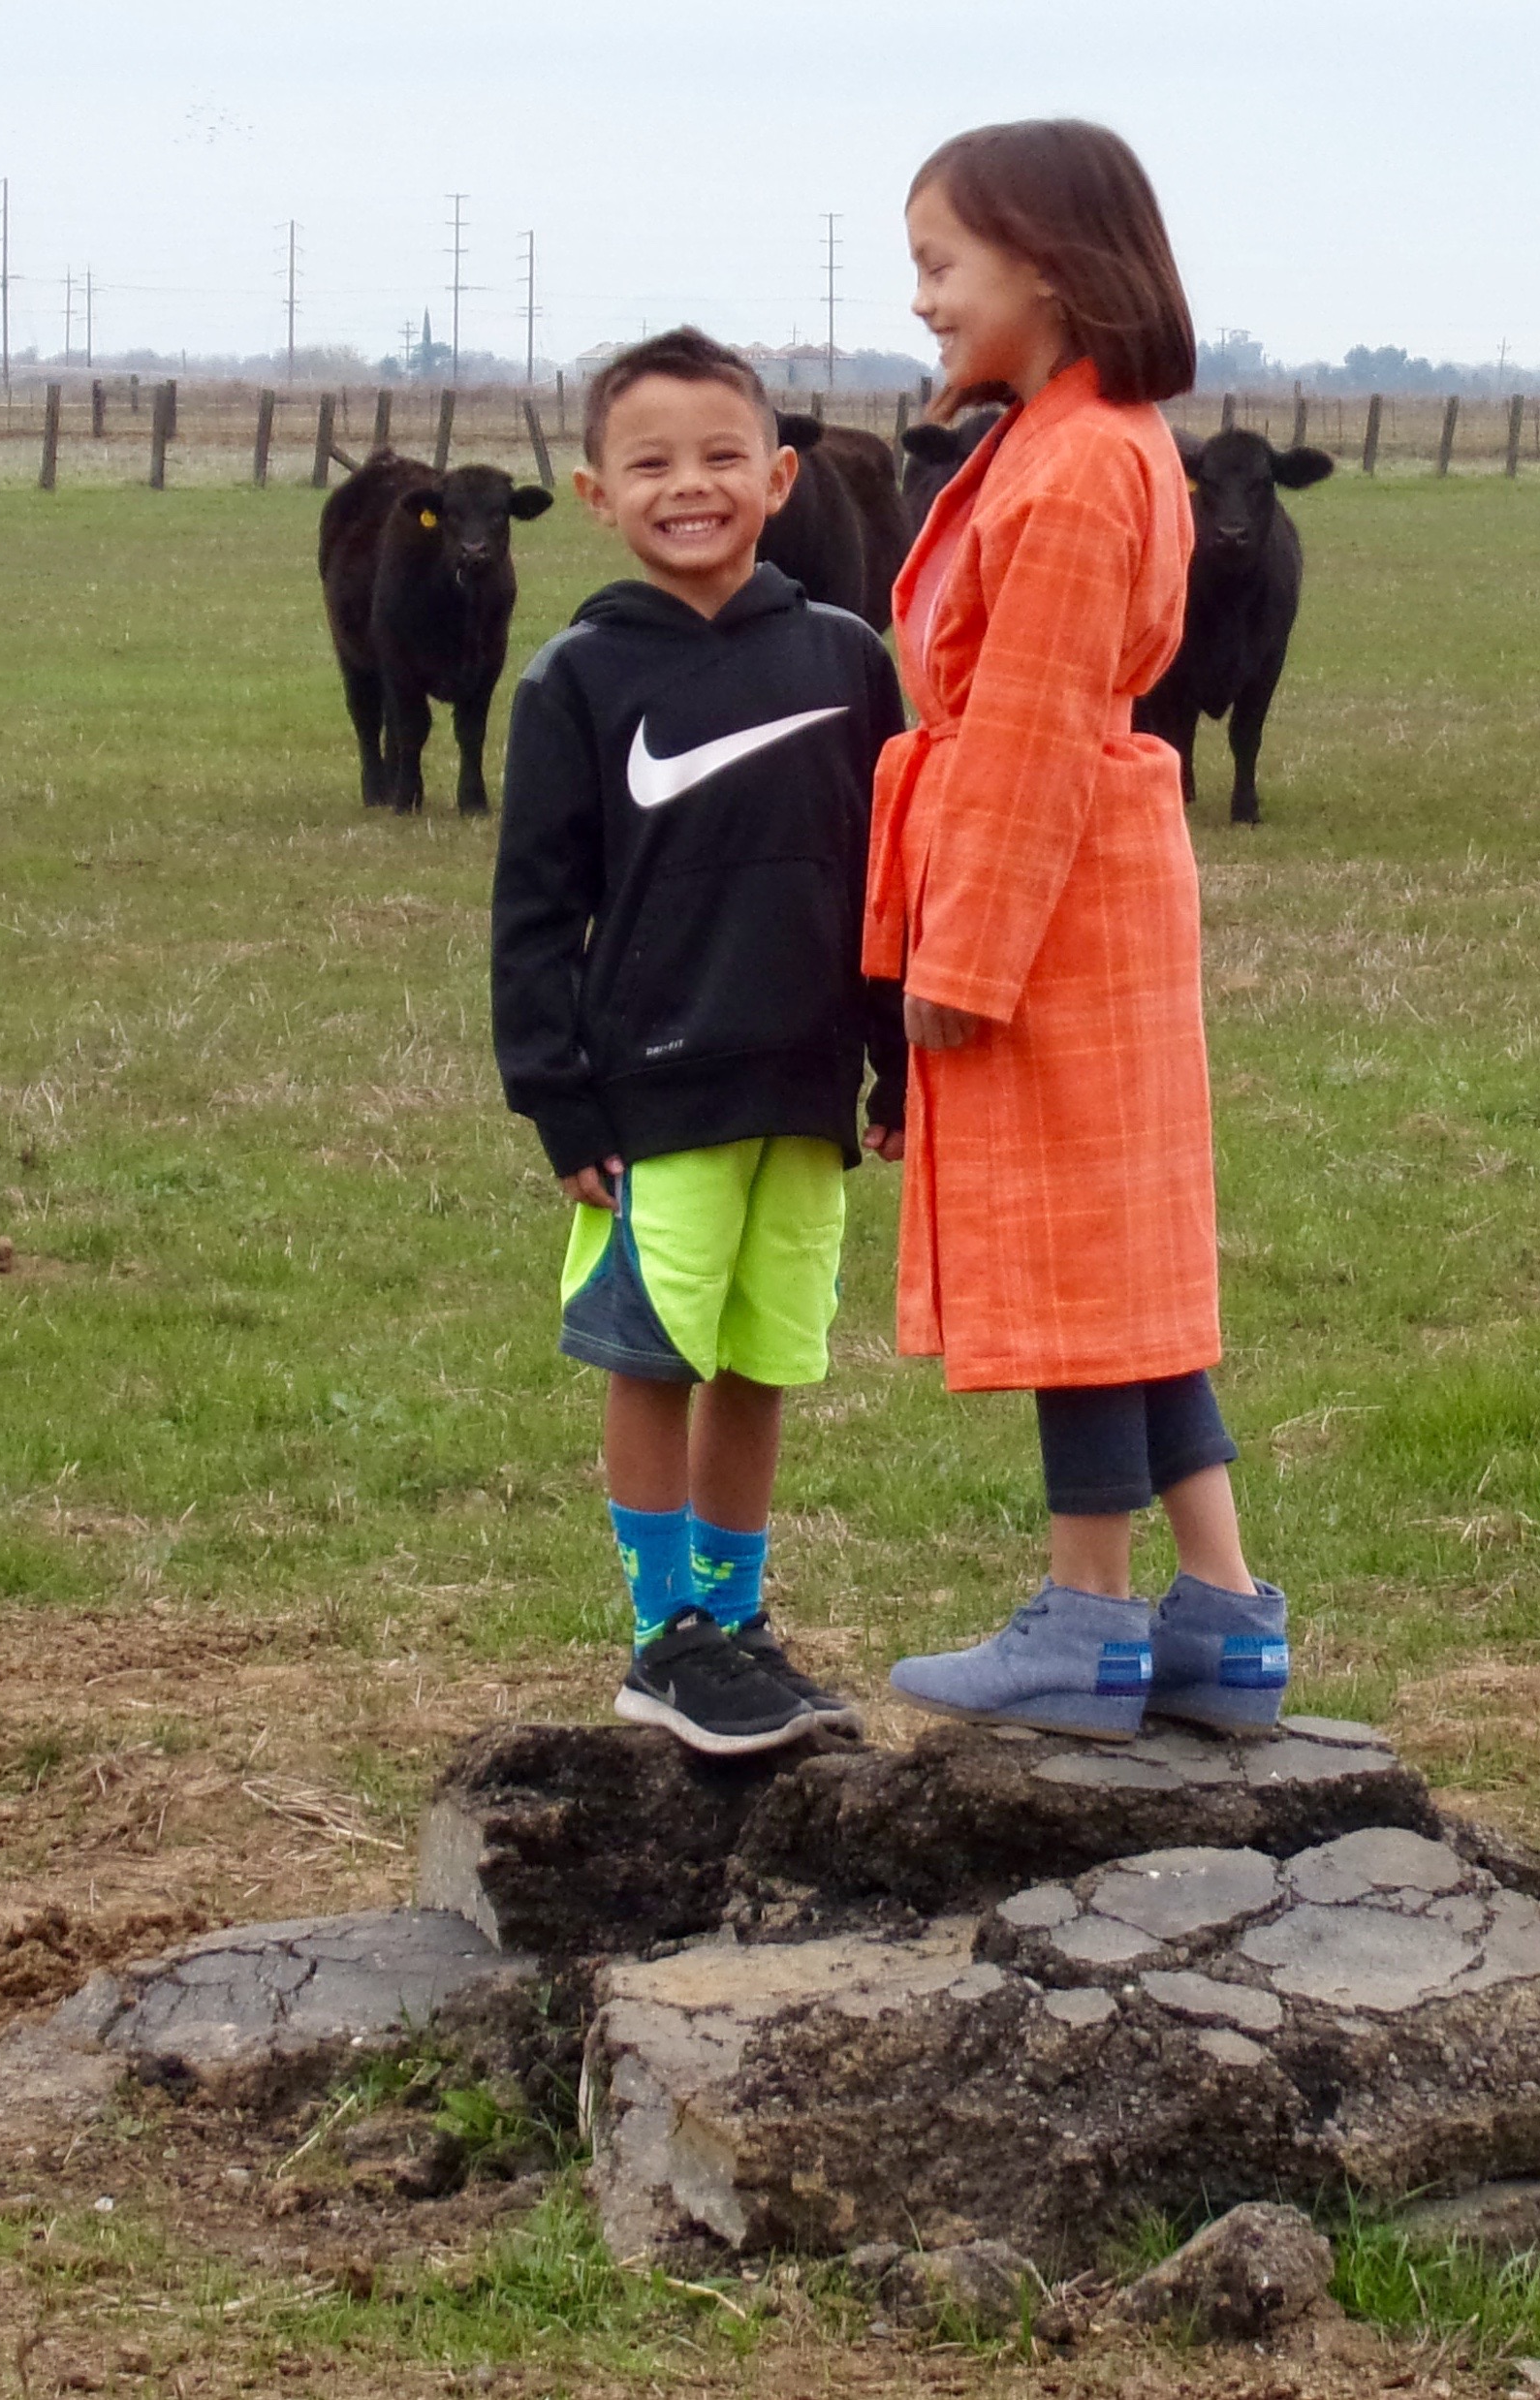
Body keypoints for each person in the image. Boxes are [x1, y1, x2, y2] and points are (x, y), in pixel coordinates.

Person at [870, 121, 1291, 1741]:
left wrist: (958, 959)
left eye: (938, 264)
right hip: (1086, 886)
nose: (920, 299)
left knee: (1072, 1271)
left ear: (1043, 265)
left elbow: (1033, 729)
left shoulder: (1072, 469)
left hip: (1046, 905)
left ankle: (1087, 1624)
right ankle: (1223, 1620)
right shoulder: (1086, 441)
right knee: (1119, 1267)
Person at [491, 327, 910, 1757]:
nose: (690, 485)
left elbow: (886, 882)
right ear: (594, 493)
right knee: (656, 1357)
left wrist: (897, 1058)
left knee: (760, 1357)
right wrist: (556, 1097)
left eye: (723, 456)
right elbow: (533, 912)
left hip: (805, 1086)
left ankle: (736, 1624)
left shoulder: (845, 656)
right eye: (651, 462)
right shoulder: (576, 678)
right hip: (652, 1098)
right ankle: (661, 1638)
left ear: (781, 477)